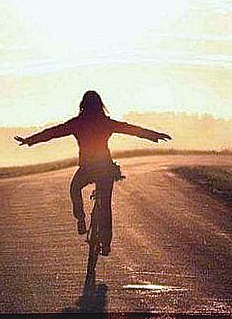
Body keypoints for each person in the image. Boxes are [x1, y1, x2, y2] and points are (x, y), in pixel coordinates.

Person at [14, 90, 171, 256]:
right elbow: (130, 129)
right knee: (105, 206)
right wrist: (154, 135)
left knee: (75, 188)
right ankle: (106, 244)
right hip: (105, 169)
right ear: (100, 105)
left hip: (87, 169)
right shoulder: (106, 122)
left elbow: (53, 132)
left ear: (83, 105)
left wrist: (29, 140)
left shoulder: (77, 123)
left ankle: (81, 218)